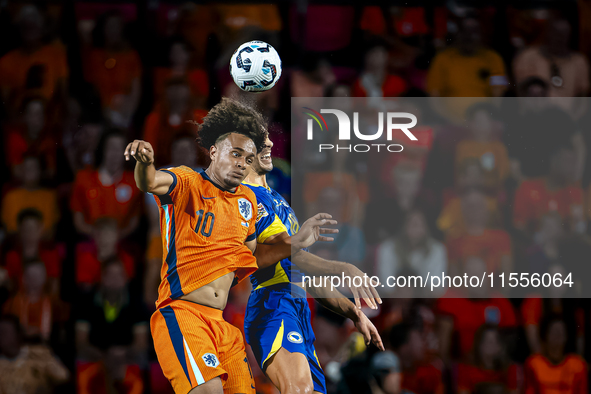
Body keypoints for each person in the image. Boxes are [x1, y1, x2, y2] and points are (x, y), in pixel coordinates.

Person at [124, 97, 337, 394]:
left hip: (222, 325)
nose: (241, 164)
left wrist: (295, 242)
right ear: (213, 151)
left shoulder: (247, 202)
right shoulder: (188, 181)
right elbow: (150, 182)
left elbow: (253, 256)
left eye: (248, 159)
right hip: (184, 313)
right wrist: (144, 162)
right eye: (235, 154)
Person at [242, 135, 384, 394]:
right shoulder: (252, 200)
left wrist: (355, 313)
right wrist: (345, 268)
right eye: (261, 143)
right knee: (299, 390)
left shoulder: (280, 203)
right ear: (243, 153)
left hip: (298, 311)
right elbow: (295, 257)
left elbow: (308, 278)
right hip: (274, 306)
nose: (271, 146)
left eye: (269, 141)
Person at [0, 314, 70, 394]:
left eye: (4, 332)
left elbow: (63, 377)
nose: (1, 336)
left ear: (18, 334)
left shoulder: (38, 354)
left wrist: (46, 358)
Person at [524, 316, 587, 394]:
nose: (557, 337)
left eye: (561, 332)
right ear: (545, 335)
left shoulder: (577, 365)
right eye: (553, 332)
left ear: (567, 336)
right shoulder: (534, 364)